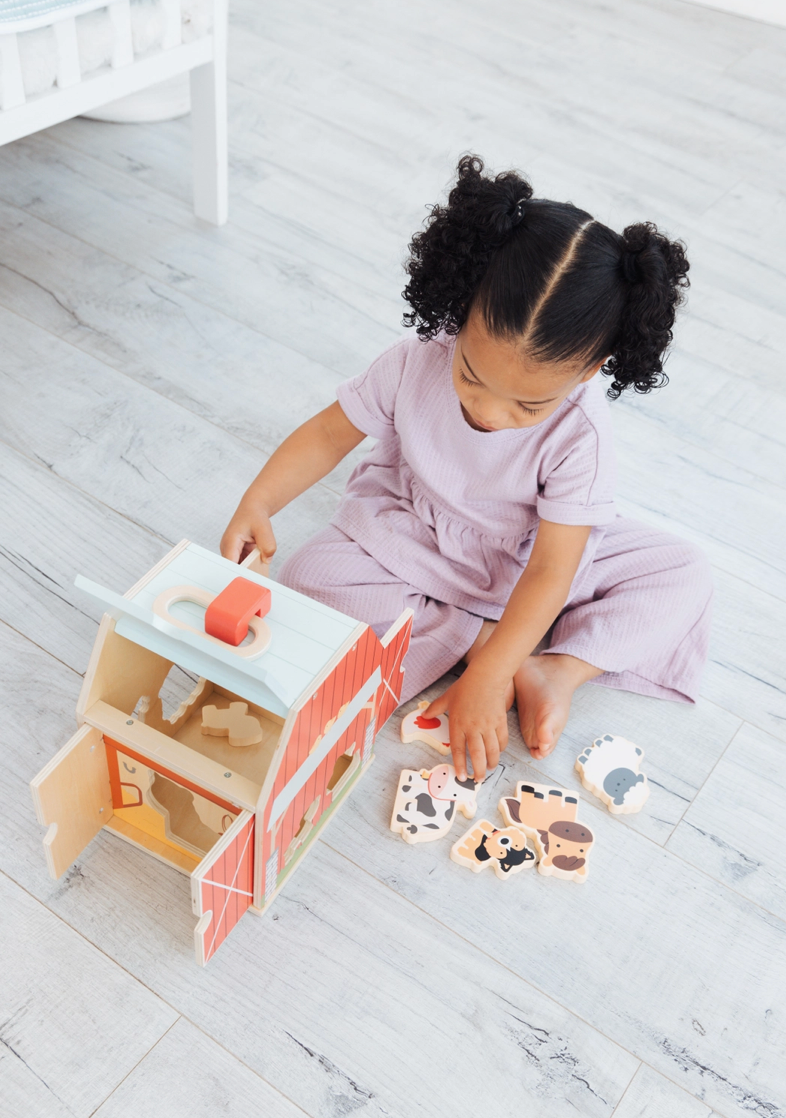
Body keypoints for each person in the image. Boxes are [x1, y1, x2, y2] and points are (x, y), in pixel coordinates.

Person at [221, 155, 712, 781]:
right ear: (461, 310)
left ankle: (552, 668)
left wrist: (492, 675)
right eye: (470, 377)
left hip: (525, 566)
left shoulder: (582, 435)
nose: (489, 411)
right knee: (310, 577)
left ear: (591, 369)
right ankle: (486, 641)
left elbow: (552, 569)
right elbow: (326, 434)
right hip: (410, 535)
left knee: (683, 573)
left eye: (528, 404)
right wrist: (258, 503)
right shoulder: (414, 361)